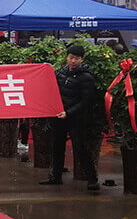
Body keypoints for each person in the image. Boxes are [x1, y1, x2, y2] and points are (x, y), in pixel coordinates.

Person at [41, 45, 99, 190]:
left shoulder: (86, 77)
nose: (73, 61)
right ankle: (56, 176)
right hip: (59, 116)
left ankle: (92, 180)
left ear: (82, 59)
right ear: (67, 57)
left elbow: (86, 101)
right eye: (71, 58)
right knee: (57, 147)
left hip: (76, 118)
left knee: (81, 148)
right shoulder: (62, 72)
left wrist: (69, 112)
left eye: (77, 58)